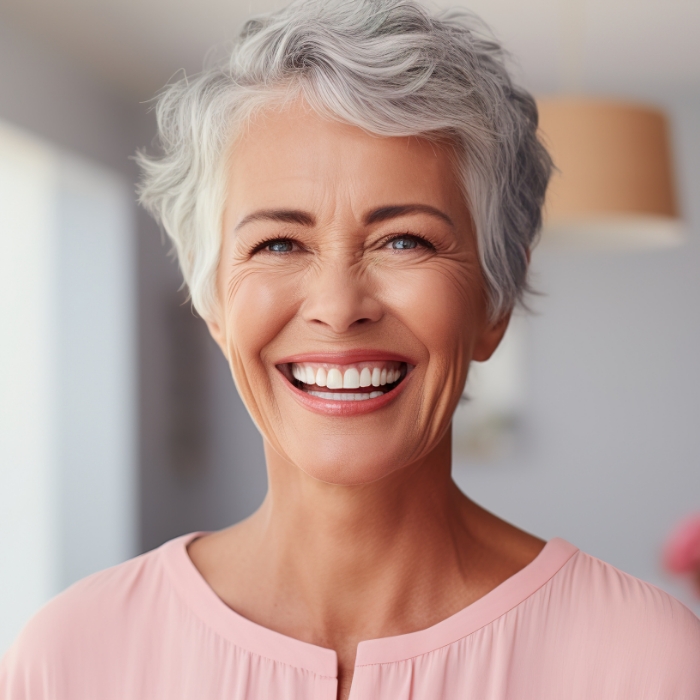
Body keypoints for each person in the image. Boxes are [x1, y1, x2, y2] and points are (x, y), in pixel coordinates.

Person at [2, 1, 699, 698]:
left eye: (405, 241)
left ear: (497, 297)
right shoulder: (71, 658)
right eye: (278, 244)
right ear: (212, 298)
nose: (338, 308)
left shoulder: (649, 664)